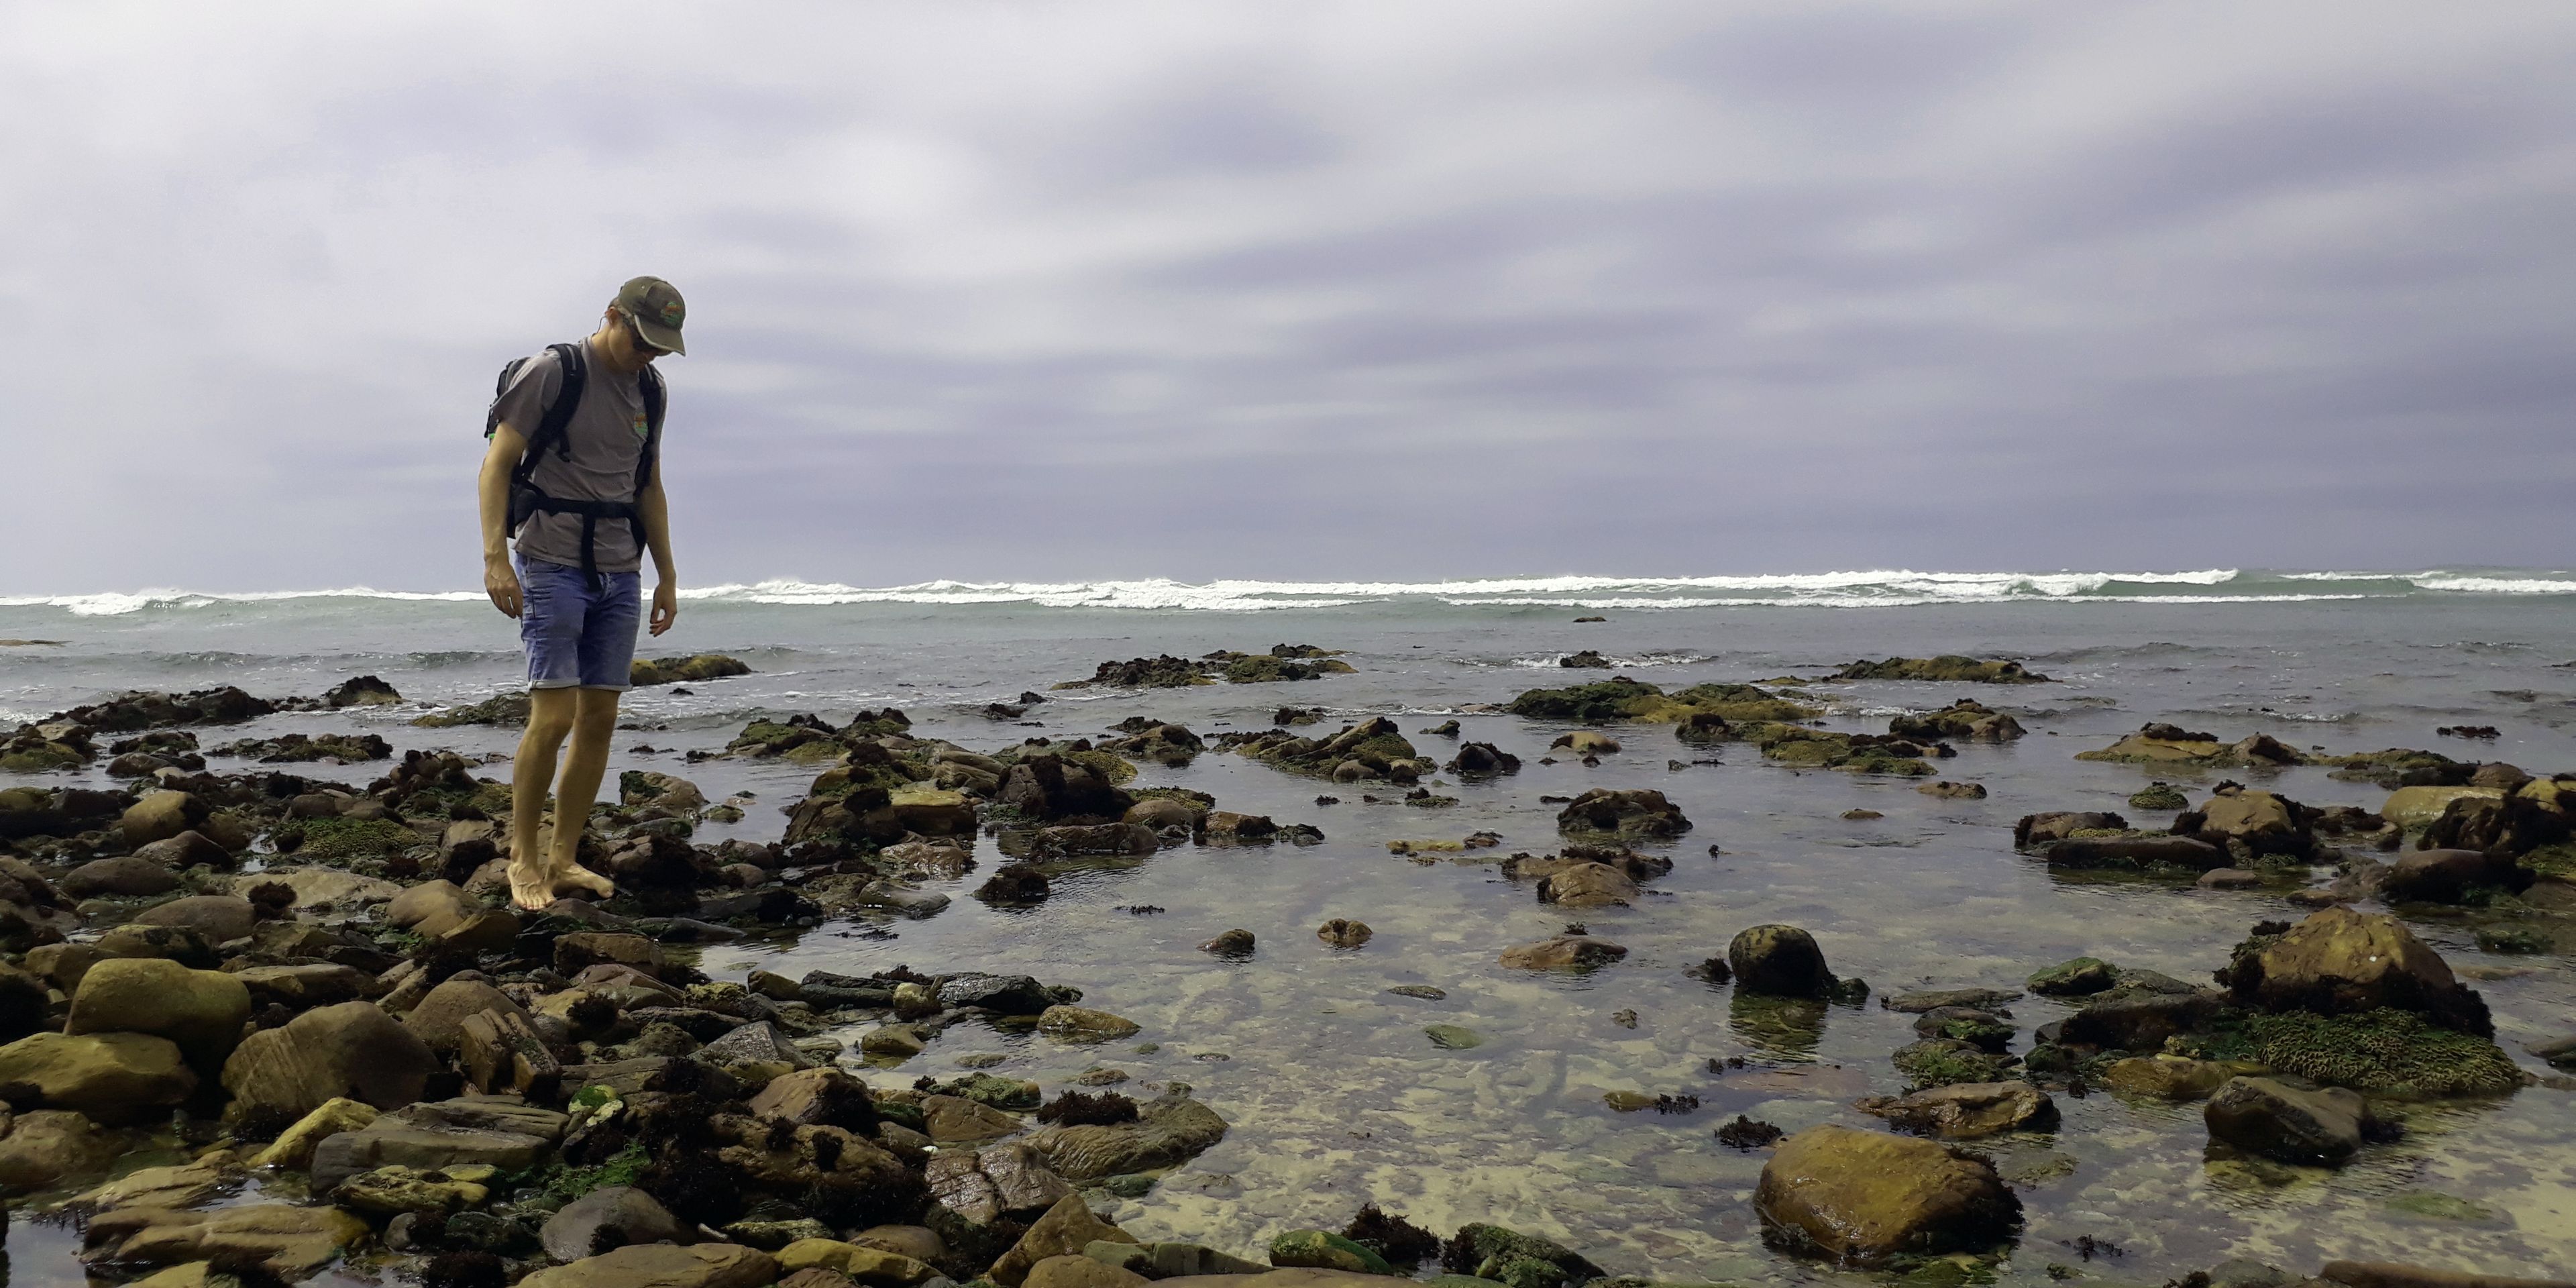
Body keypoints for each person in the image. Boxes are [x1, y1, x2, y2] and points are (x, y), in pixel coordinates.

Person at [476, 276, 686, 910]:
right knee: (554, 717)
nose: (647, 356)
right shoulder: (552, 371)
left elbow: (648, 485)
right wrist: (495, 559)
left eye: (660, 348)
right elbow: (496, 464)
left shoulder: (652, 389)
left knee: (600, 718)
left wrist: (667, 575)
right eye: (641, 341)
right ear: (612, 316)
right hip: (550, 562)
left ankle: (564, 859)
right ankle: (523, 860)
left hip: (621, 570)